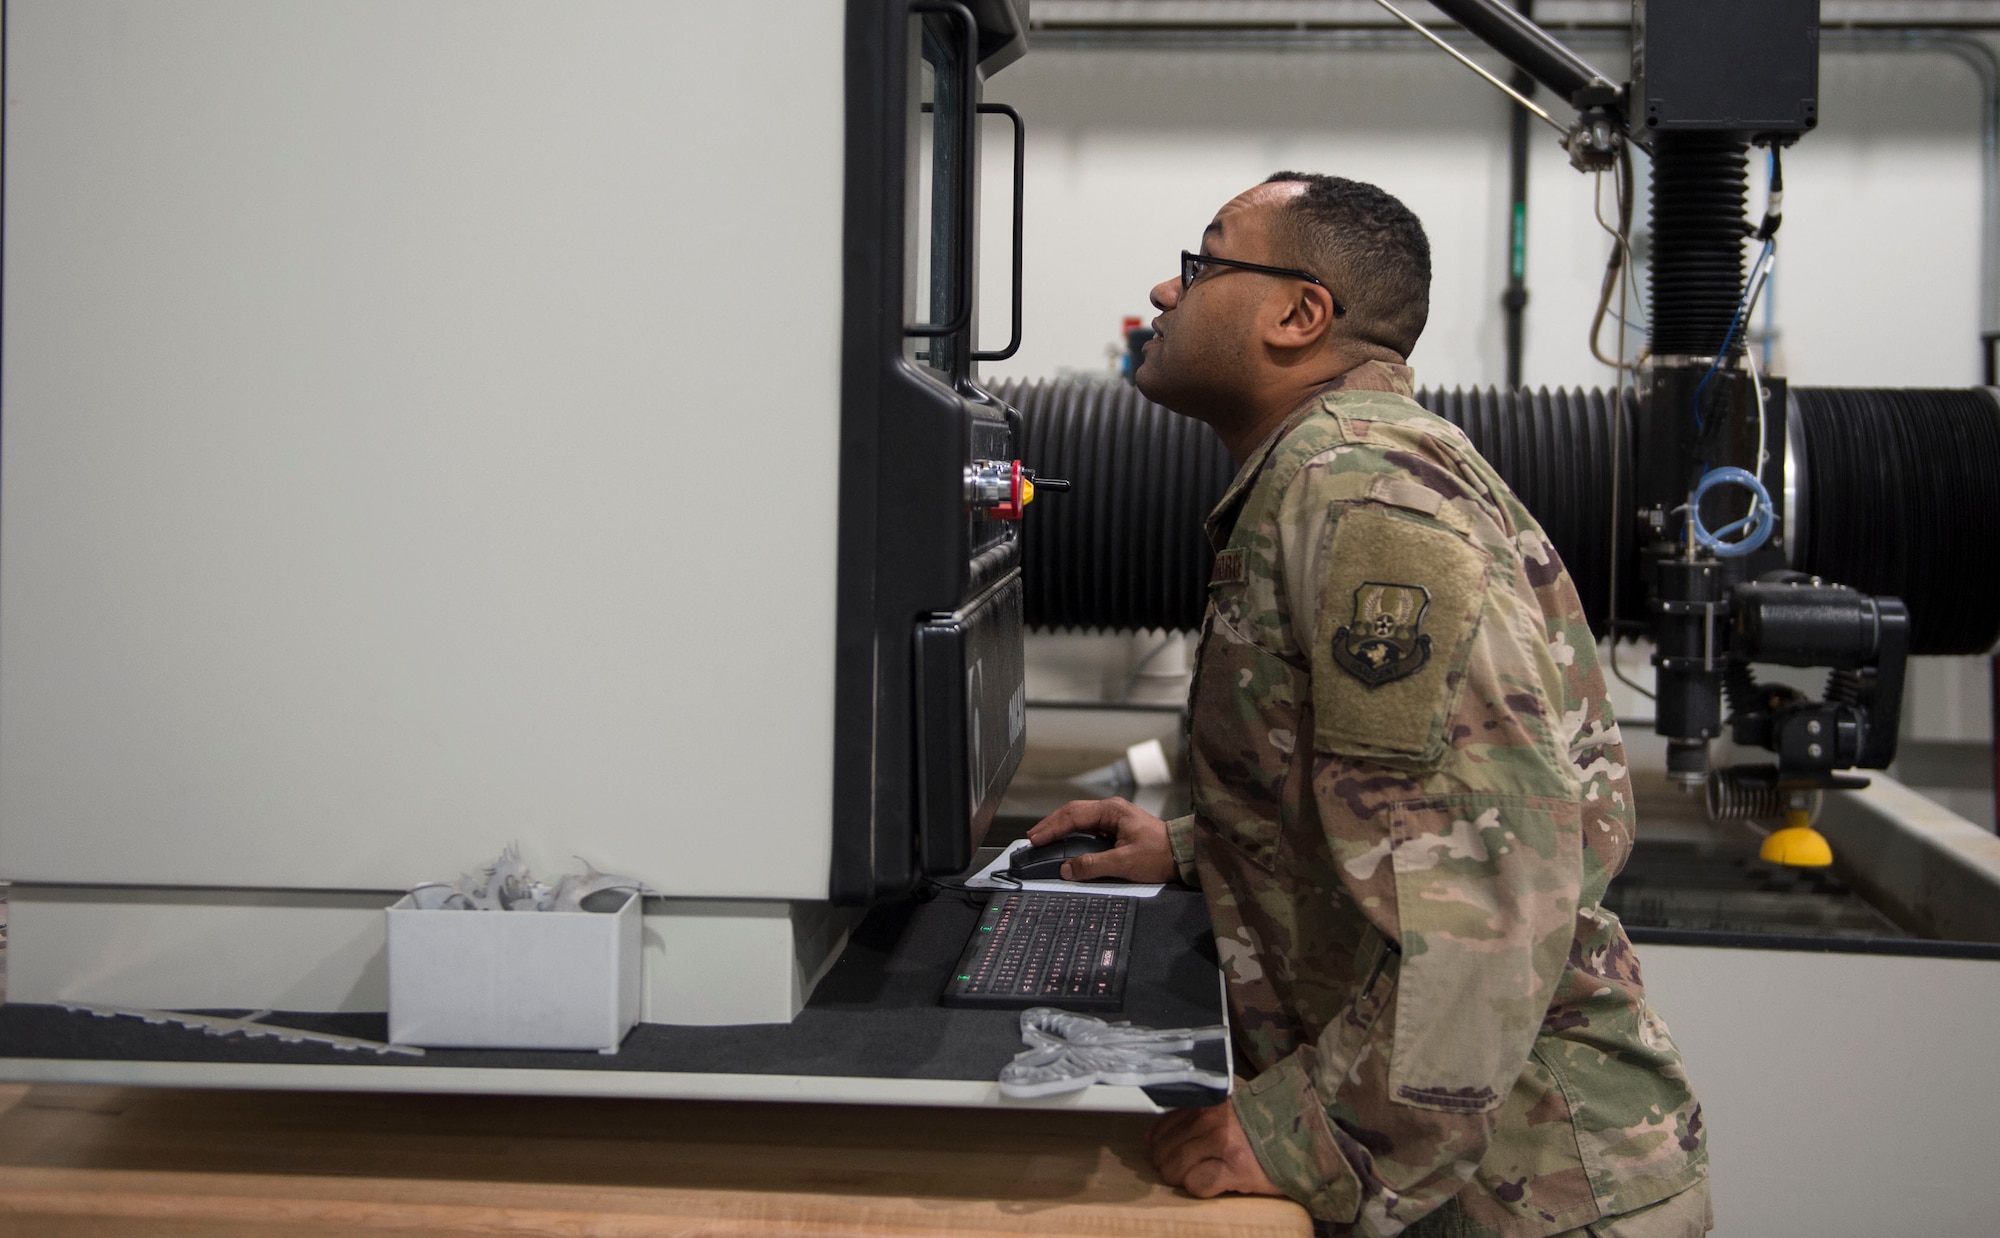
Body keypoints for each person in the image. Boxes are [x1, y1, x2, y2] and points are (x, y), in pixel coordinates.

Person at [1026, 174, 1711, 1237]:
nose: (1165, 288)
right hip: (1468, 1163)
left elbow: (1494, 875)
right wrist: (1198, 846)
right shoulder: (1328, 473)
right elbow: (1396, 813)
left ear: (1299, 314)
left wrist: (1314, 1133)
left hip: (1522, 1187)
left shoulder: (1357, 490)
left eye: (1204, 263)